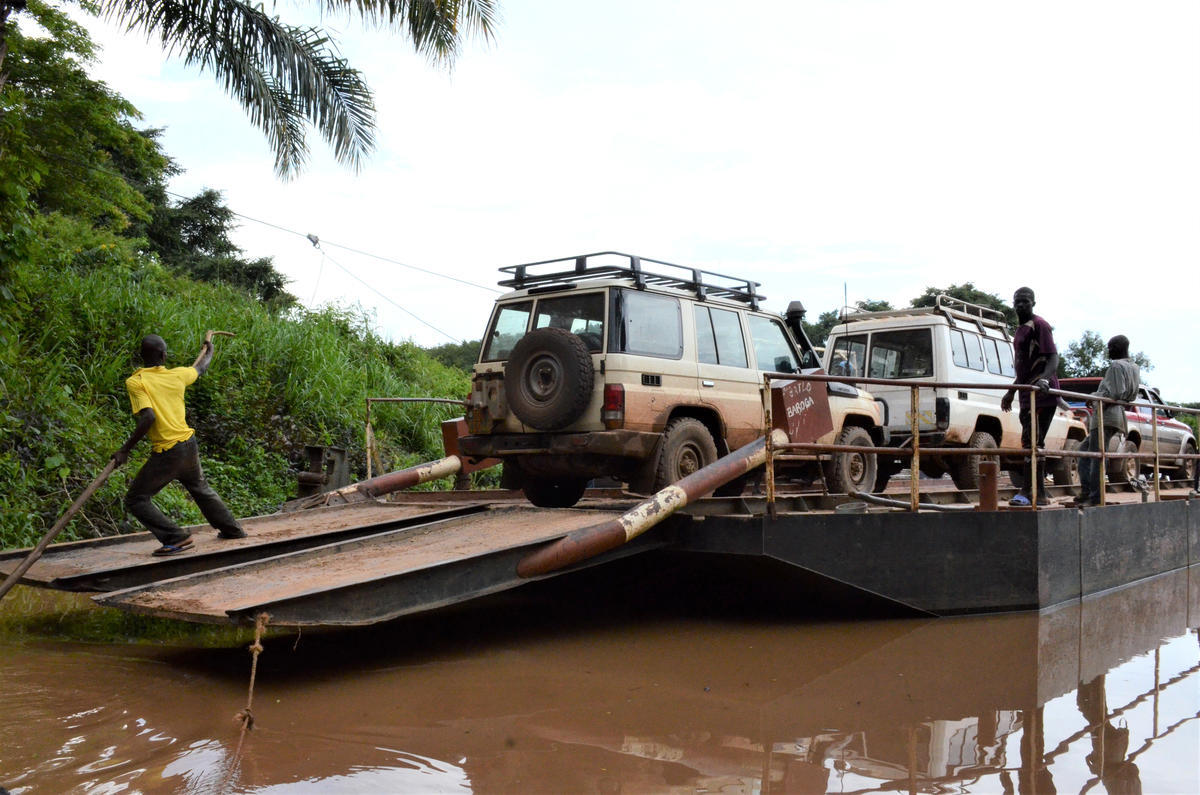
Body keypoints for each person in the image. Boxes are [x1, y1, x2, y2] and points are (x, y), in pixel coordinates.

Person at [112, 333, 245, 556]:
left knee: (136, 499)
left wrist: (124, 450)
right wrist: (210, 350)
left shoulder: (136, 382)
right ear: (164, 356)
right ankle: (232, 530)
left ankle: (175, 538)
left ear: (140, 356)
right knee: (201, 489)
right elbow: (200, 368)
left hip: (168, 452)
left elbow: (148, 418)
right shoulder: (177, 376)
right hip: (188, 445)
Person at [1001, 287, 1059, 506]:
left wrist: (1043, 379)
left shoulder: (1040, 325)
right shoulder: (1020, 330)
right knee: (1033, 441)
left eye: (1025, 301)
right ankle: (1040, 494)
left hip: (1041, 395)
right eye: (1017, 302)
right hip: (1027, 393)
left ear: (1033, 302)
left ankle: (1027, 491)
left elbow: (1053, 359)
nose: (1020, 305)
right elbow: (1024, 369)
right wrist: (1011, 391)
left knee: (1031, 441)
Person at [1074, 335, 1140, 507]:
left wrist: (1094, 396)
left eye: (1110, 347)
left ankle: (1094, 497)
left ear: (1118, 347)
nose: (1108, 350)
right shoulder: (1134, 367)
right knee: (1085, 451)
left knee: (1095, 456)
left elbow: (1116, 393)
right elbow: (1129, 394)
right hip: (1116, 416)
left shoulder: (1116, 366)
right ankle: (1087, 491)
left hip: (1106, 415)